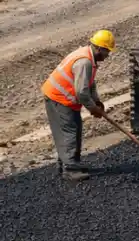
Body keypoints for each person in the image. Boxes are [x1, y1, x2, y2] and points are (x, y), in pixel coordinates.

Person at [42, 30, 115, 181]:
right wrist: (92, 108)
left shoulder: (88, 57)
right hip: (59, 98)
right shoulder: (84, 62)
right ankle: (70, 169)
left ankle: (69, 163)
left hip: (62, 98)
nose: (108, 55)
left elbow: (89, 83)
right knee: (70, 132)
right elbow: (81, 93)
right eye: (107, 51)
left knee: (73, 130)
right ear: (99, 48)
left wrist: (97, 101)